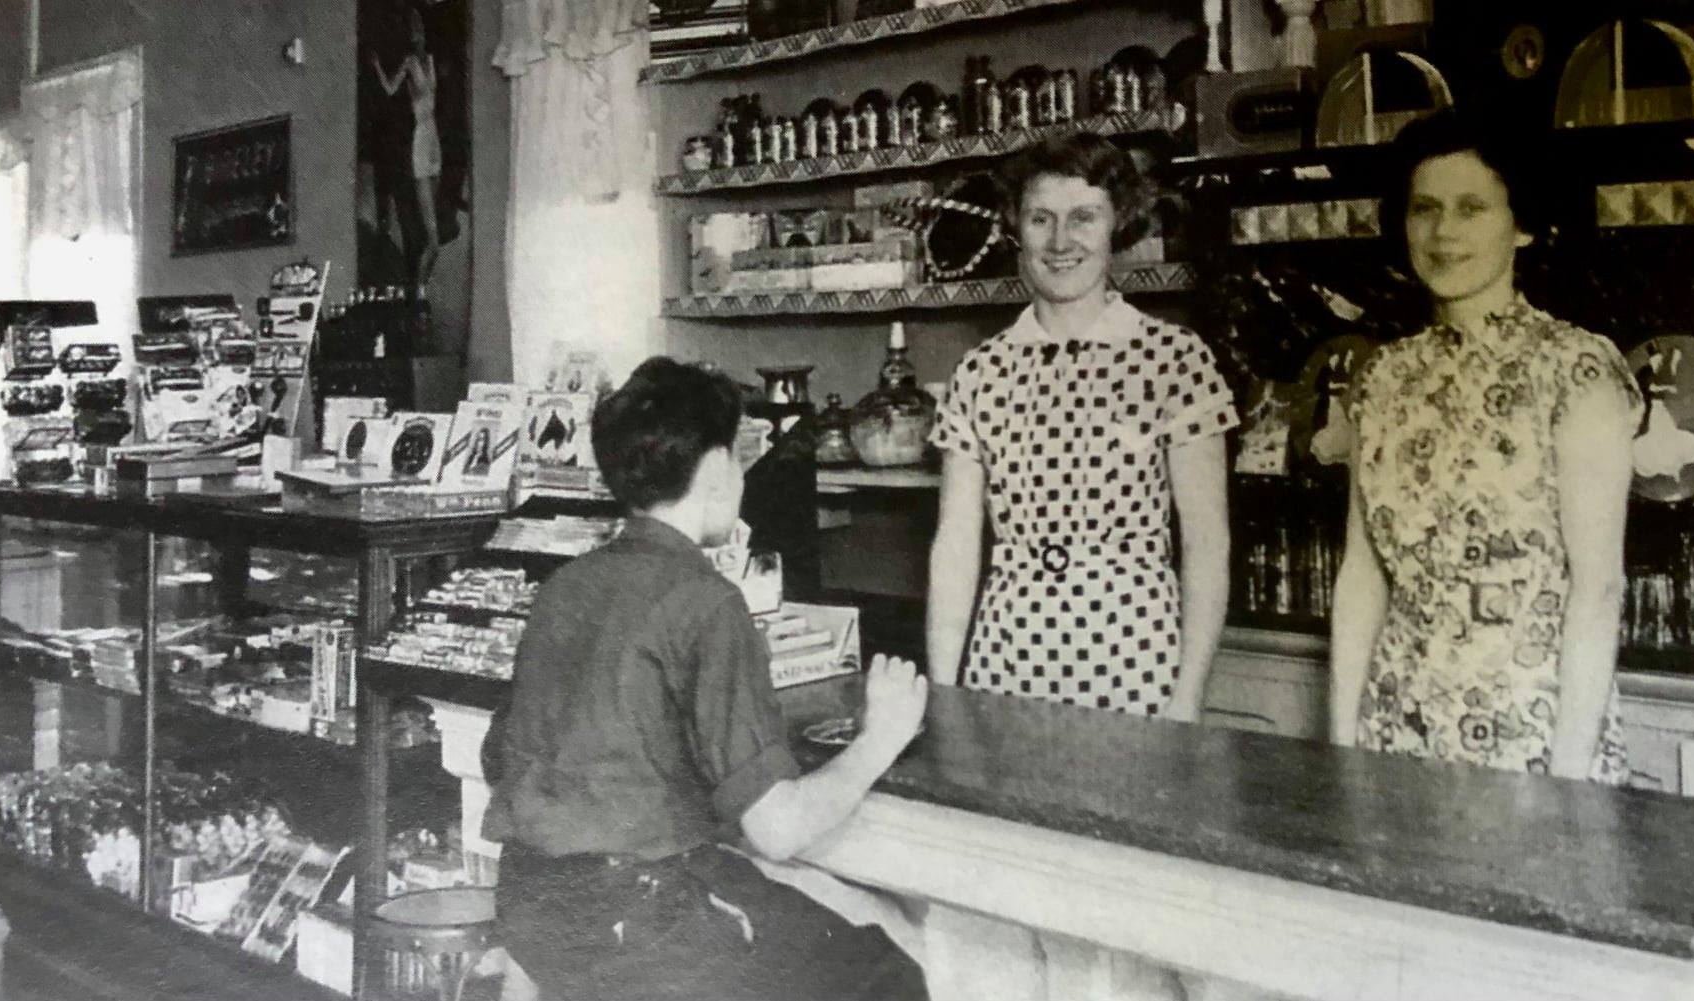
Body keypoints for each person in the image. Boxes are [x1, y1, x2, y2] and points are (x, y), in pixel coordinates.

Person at [483, 358, 930, 1001]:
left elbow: (504, 754)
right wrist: (880, 739)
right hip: (643, 929)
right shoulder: (706, 602)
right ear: (720, 467)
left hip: (535, 911)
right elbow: (777, 831)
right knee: (884, 973)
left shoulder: (564, 587)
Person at [1328, 111, 1638, 782]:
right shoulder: (1381, 376)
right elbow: (1361, 575)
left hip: (1533, 735)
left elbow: (1598, 588)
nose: (1442, 232)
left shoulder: (1575, 369)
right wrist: (1341, 745)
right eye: (1424, 209)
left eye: (1471, 208)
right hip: (1394, 725)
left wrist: (1567, 775)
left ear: (1521, 225)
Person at [927, 134, 1237, 721]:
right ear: (1014, 227)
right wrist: (944, 690)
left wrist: (1188, 696)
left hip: (1135, 663)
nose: (1061, 241)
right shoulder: (980, 371)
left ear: (1117, 225)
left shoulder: (1173, 359)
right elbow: (956, 546)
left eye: (1084, 217)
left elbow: (1205, 543)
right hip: (1007, 660)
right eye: (1041, 218)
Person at [370, 10, 443, 286]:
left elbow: (434, 94)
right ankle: (419, 291)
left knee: (432, 232)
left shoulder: (429, 60)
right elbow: (390, 89)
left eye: (420, 29)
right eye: (413, 31)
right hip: (422, 140)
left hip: (434, 138)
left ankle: (420, 287)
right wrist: (377, 66)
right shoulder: (410, 62)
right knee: (432, 237)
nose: (418, 35)